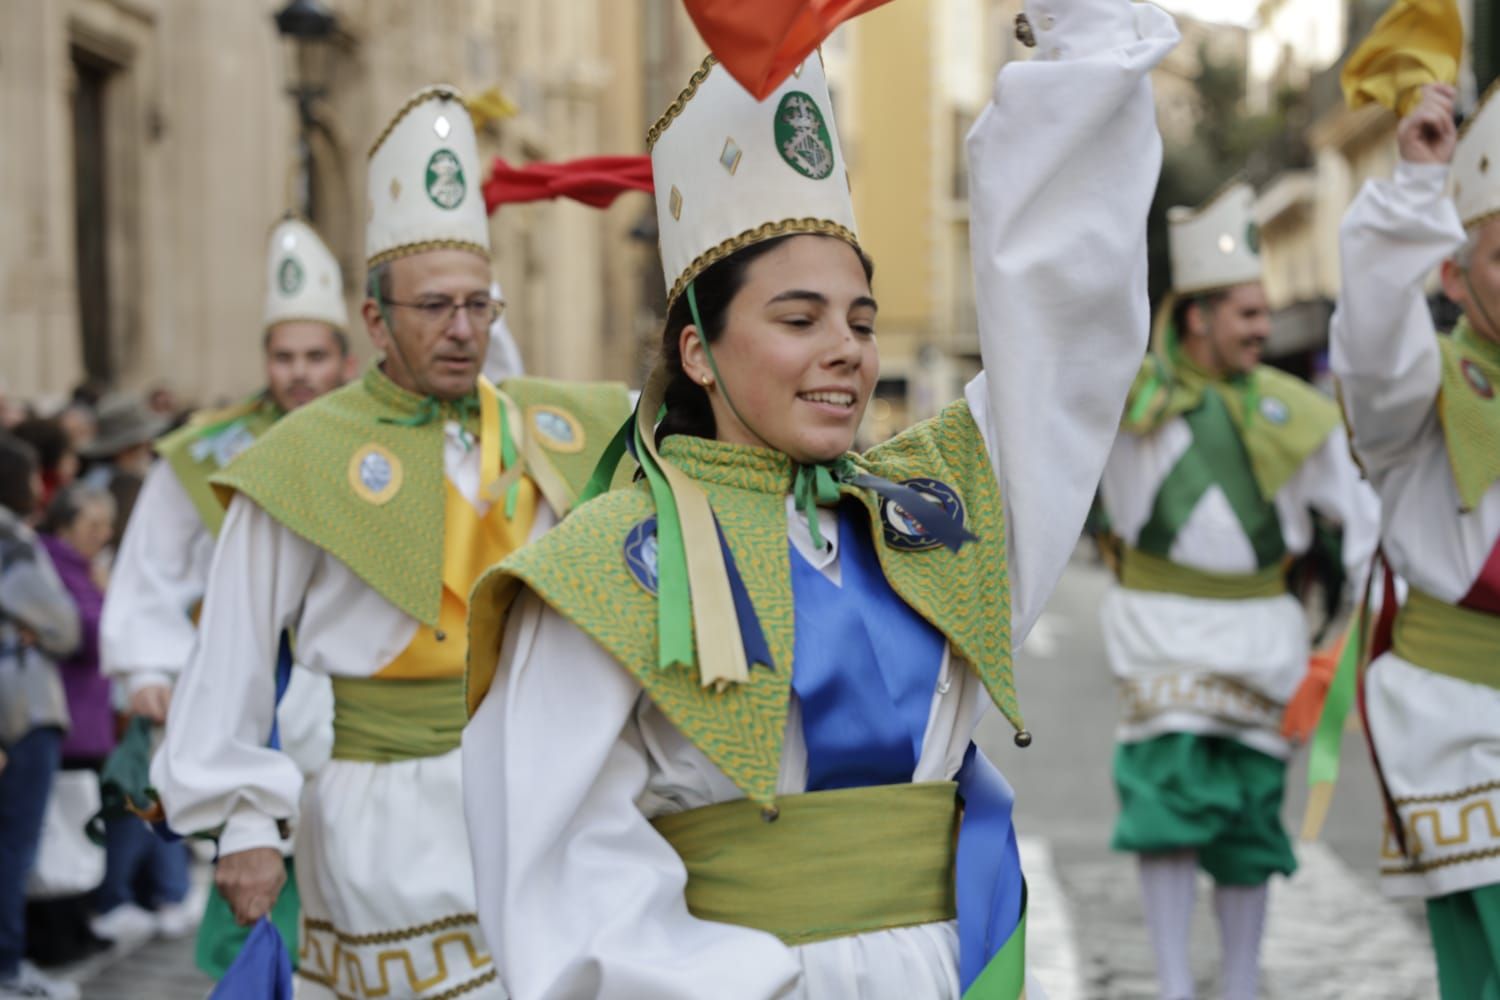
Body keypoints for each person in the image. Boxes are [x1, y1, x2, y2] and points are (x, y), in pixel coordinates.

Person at [461, 3, 1177, 996]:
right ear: (698, 352)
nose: (846, 346)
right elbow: (557, 868)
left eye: (862, 318)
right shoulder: (596, 570)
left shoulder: (927, 521)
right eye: (798, 318)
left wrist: (1088, 46)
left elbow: (1062, 338)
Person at [152, 85, 631, 999]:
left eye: (478, 305)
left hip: (537, 791)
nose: (463, 330)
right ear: (375, 321)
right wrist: (245, 821)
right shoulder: (304, 455)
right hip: (383, 813)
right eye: (434, 307)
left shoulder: (555, 427)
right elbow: (237, 643)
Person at [1095, 179, 1379, 1000]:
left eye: (1264, 313)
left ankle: (1244, 981)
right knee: (1167, 805)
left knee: (1251, 817)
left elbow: (1361, 524)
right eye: (1247, 313)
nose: (1263, 328)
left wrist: (1348, 636)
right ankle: (1177, 985)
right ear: (1196, 317)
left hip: (1266, 637)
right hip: (1158, 631)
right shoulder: (1132, 401)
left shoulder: (1295, 412)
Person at [98, 216, 353, 970]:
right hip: (256, 689)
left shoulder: (381, 440)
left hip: (356, 695)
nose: (300, 371)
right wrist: (149, 668)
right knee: (256, 888)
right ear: (264, 358)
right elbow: (151, 566)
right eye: (284, 356)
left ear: (344, 355)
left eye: (315, 355)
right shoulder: (211, 449)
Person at [1330, 82, 1500, 998]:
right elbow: (1372, 348)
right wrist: (1416, 190)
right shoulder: (1418, 391)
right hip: (1462, 721)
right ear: (1454, 274)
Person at [0, 433, 81, 1000]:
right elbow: (65, 627)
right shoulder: (13, 541)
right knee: (12, 846)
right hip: (20, 710)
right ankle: (7, 967)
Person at [27, 484, 117, 967]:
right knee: (61, 833)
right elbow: (91, 637)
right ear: (64, 526)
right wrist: (106, 596)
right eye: (92, 527)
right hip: (69, 717)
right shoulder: (56, 566)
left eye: (106, 527)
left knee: (77, 830)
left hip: (86, 716)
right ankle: (56, 939)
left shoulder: (77, 567)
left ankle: (75, 929)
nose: (101, 537)